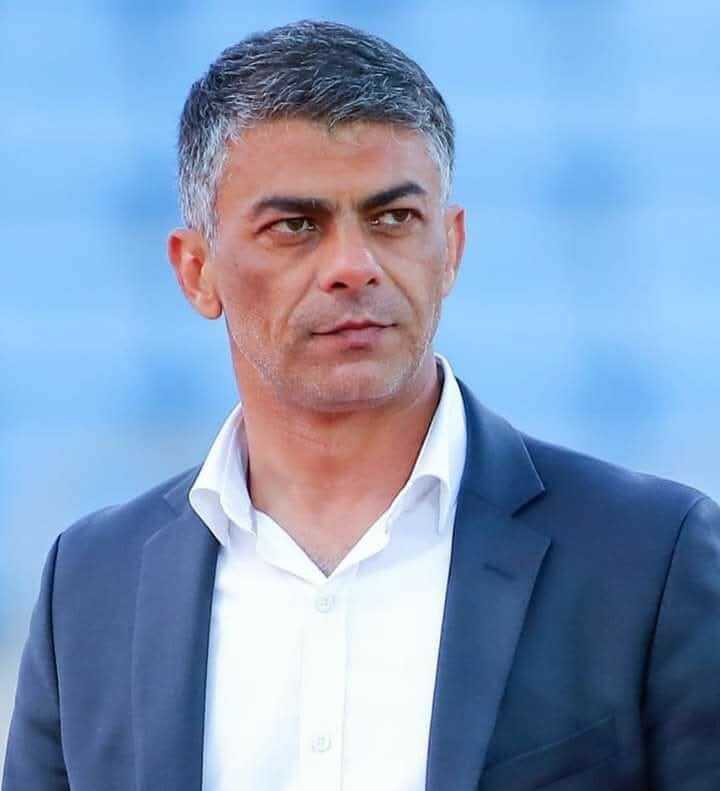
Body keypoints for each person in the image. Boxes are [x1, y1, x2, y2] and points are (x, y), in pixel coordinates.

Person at [3, 19, 719, 791]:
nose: (352, 265)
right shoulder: (91, 585)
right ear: (197, 270)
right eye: (295, 226)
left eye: (393, 218)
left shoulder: (648, 556)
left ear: (451, 247)